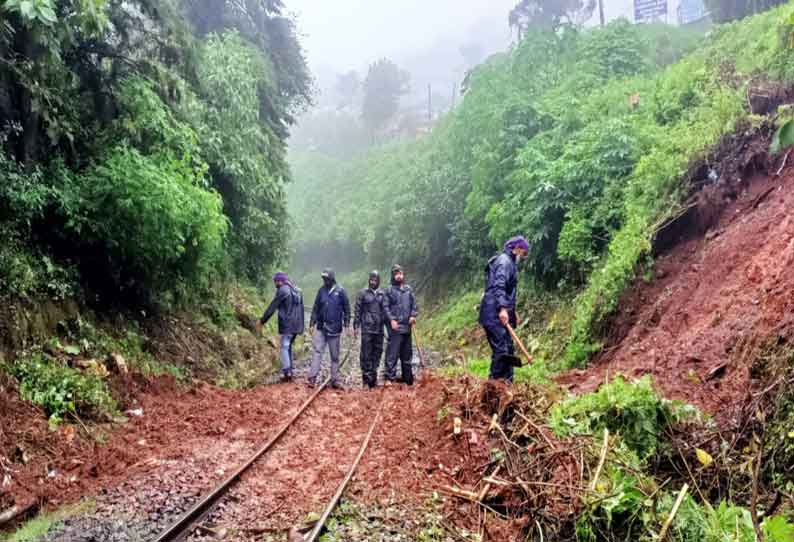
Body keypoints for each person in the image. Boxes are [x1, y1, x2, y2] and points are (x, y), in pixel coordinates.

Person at [479, 235, 530, 383]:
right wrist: (502, 309)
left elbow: (508, 293)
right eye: (524, 253)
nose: (523, 257)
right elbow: (499, 286)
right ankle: (492, 387)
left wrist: (513, 313)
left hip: (500, 313)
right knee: (501, 351)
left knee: (509, 349)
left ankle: (507, 386)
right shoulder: (504, 261)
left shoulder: (511, 263)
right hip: (492, 314)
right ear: (517, 248)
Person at [256, 272, 305, 382]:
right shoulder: (296, 290)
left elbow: (272, 306)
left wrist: (262, 321)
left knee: (284, 347)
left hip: (288, 325)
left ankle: (287, 372)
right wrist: (301, 326)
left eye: (275, 281)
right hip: (297, 325)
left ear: (280, 281)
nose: (275, 283)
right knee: (289, 347)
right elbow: (301, 310)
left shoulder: (283, 290)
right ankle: (290, 371)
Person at [308, 268, 351, 389]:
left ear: (332, 279)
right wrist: (312, 323)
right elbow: (316, 308)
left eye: (327, 278)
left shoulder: (341, 291)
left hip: (334, 329)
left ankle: (335, 380)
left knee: (335, 356)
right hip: (321, 327)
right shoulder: (321, 291)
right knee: (317, 352)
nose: (325, 280)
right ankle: (312, 378)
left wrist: (347, 325)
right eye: (323, 278)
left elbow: (347, 309)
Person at [383, 264, 418, 387]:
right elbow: (385, 307)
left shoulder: (408, 289)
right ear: (393, 275)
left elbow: (414, 305)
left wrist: (413, 315)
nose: (399, 276)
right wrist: (391, 320)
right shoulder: (389, 290)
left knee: (407, 354)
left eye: (401, 273)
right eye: (397, 274)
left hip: (407, 327)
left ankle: (407, 379)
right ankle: (389, 378)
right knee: (392, 354)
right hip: (395, 327)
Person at [354, 270, 387, 389]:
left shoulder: (382, 294)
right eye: (371, 279)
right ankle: (366, 380)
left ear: (379, 281)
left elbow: (386, 310)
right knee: (366, 353)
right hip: (367, 328)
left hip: (379, 328)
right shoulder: (362, 293)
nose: (372, 282)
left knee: (377, 352)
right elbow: (357, 310)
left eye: (375, 280)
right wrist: (356, 326)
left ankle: (373, 377)